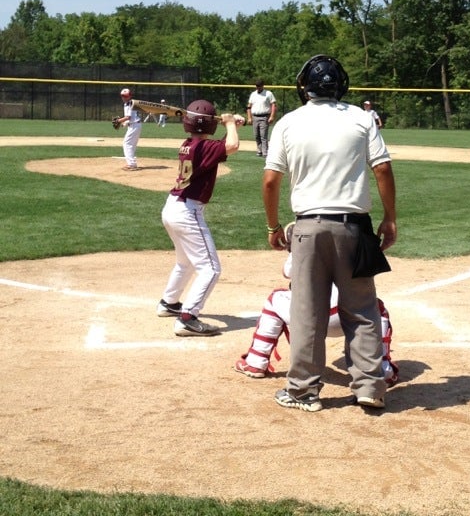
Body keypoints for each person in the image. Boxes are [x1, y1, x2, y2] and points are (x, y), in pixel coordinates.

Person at [262, 54, 397, 412]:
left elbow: (271, 179)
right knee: (363, 309)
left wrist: (274, 226)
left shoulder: (288, 123)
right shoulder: (361, 117)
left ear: (304, 86)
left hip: (307, 227)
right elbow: (382, 170)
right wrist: (390, 218)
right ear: (342, 85)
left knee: (308, 311)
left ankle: (303, 391)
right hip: (355, 228)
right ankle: (370, 387)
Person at [234, 232, 399, 386]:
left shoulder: (307, 236)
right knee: (377, 307)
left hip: (310, 320)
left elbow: (288, 272)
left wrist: (294, 249)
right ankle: (382, 369)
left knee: (275, 299)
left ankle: (256, 361)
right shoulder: (355, 237)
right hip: (353, 319)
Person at [156, 100, 240, 336]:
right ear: (208, 125)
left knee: (185, 262)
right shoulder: (205, 147)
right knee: (210, 269)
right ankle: (188, 317)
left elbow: (221, 147)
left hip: (173, 207)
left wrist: (233, 126)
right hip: (187, 212)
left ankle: (169, 303)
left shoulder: (188, 144)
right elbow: (231, 145)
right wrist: (231, 123)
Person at [246, 79, 277, 157]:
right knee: (257, 135)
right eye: (257, 86)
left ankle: (265, 152)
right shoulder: (253, 94)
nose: (258, 88)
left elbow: (273, 105)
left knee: (263, 136)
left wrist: (272, 116)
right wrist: (249, 117)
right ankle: (259, 150)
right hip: (255, 116)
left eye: (259, 86)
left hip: (264, 116)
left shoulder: (268, 93)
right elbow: (249, 106)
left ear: (263, 86)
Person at [117, 88, 142, 170]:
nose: (123, 97)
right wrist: (124, 124)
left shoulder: (129, 103)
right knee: (131, 145)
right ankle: (132, 163)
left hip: (134, 125)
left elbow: (128, 117)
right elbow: (130, 118)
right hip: (135, 125)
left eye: (125, 96)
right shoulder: (130, 103)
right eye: (122, 96)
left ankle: (131, 164)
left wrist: (119, 121)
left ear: (129, 96)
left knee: (126, 143)